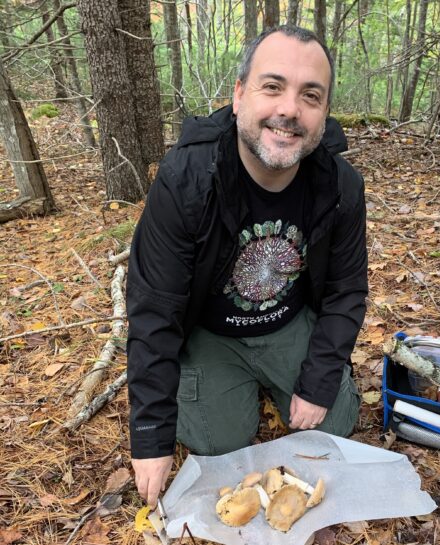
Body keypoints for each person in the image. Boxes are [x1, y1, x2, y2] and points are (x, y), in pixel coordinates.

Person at [126, 24, 368, 508]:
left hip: (287, 320)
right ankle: (231, 386)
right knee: (216, 445)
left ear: (323, 114)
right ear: (239, 95)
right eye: (272, 86)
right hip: (211, 331)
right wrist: (150, 435)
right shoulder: (186, 179)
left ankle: (283, 379)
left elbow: (346, 291)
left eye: (310, 95)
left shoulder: (340, 186)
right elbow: (154, 307)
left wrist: (319, 382)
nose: (289, 110)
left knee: (337, 425)